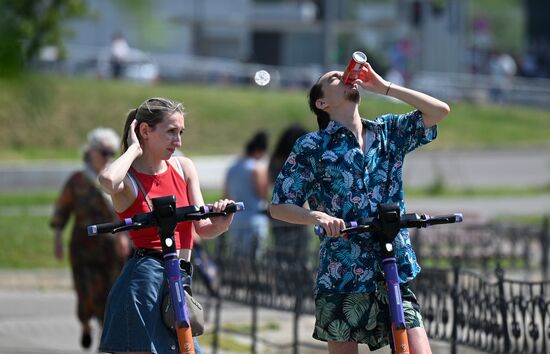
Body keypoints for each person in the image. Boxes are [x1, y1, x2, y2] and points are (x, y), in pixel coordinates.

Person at [269, 62, 450, 354]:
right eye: (335, 78)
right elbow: (279, 207)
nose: (346, 76)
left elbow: (439, 111)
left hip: (390, 264)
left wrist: (385, 88)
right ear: (322, 102)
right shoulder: (312, 146)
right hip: (342, 271)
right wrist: (316, 216)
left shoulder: (387, 132)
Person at [97, 97, 234, 354]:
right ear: (145, 131)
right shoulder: (129, 181)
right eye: (171, 132)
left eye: (180, 132)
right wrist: (134, 150)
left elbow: (203, 228)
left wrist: (222, 223)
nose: (178, 141)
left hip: (179, 280)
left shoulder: (183, 168)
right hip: (143, 284)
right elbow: (106, 181)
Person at [50, 127, 131, 349]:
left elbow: (125, 211)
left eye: (111, 152)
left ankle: (106, 337)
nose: (107, 156)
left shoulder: (114, 179)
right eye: (103, 151)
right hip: (83, 248)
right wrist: (57, 237)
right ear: (92, 151)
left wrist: (124, 235)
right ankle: (86, 325)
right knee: (86, 291)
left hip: (111, 249)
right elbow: (62, 209)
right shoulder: (77, 180)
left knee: (111, 292)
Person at [268, 124, 310, 263]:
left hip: (279, 210)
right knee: (300, 255)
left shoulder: (275, 161)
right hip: (298, 211)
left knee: (281, 251)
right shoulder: (299, 161)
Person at [224, 130, 269, 259]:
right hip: (255, 219)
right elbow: (263, 195)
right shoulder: (257, 168)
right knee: (255, 260)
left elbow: (226, 194)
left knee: (238, 260)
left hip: (236, 220)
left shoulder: (232, 168)